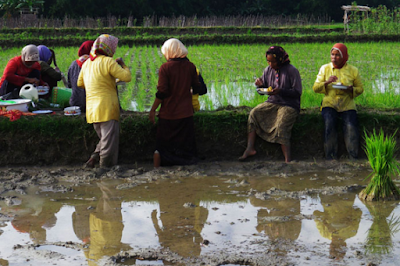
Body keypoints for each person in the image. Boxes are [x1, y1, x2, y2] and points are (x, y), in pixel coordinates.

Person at [239, 46, 302, 163]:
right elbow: (264, 89)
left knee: (282, 124)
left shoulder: (292, 71)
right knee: (254, 113)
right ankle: (250, 148)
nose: (270, 64)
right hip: (272, 102)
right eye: (268, 61)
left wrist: (281, 90)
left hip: (289, 104)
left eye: (273, 61)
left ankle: (287, 159)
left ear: (281, 59)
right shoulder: (268, 70)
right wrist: (259, 85)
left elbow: (297, 92)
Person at [77, 34, 131, 168]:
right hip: (108, 107)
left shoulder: (87, 63)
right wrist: (123, 64)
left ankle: (94, 158)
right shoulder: (109, 62)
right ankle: (103, 167)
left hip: (92, 109)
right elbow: (127, 77)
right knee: (108, 141)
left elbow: (80, 83)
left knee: (105, 138)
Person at [149, 38, 202, 167]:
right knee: (185, 147)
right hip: (186, 114)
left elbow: (162, 92)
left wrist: (152, 110)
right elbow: (197, 87)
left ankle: (159, 168)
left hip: (168, 114)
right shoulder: (190, 66)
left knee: (163, 147)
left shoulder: (165, 68)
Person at [312, 43, 364, 160]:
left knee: (351, 126)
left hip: (347, 104)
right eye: (332, 55)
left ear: (344, 56)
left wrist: (352, 89)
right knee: (329, 123)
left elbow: (360, 89)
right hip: (329, 103)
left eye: (337, 55)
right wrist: (326, 82)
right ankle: (330, 157)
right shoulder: (325, 68)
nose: (334, 58)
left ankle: (353, 156)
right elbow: (315, 87)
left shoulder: (353, 70)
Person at [68, 40, 94, 111]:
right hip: (91, 104)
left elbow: (69, 85)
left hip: (74, 103)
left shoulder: (73, 64)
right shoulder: (93, 64)